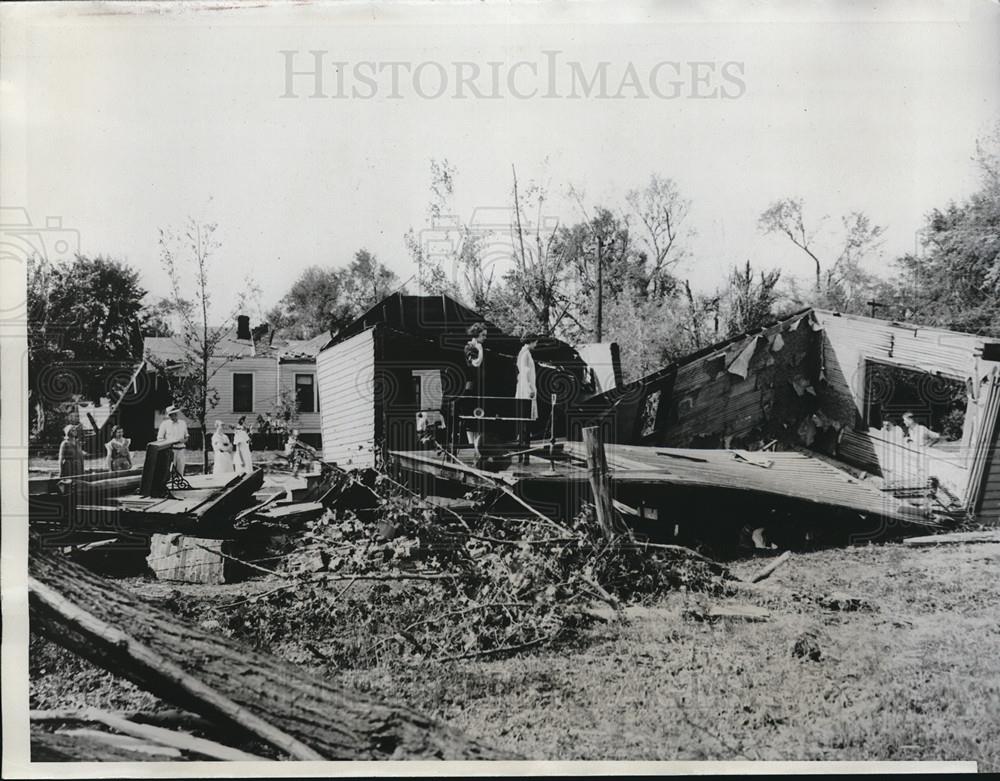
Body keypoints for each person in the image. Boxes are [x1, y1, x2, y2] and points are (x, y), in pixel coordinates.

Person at [515, 334, 540, 464]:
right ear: (531, 342)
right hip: (526, 390)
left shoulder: (525, 353)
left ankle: (524, 455)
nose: (536, 345)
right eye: (535, 342)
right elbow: (524, 373)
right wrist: (530, 389)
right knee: (525, 423)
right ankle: (524, 455)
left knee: (525, 423)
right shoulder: (525, 354)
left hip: (526, 388)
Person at [157, 404, 190, 476]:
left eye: (175, 414)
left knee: (180, 470)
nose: (173, 416)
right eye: (171, 415)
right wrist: (168, 443)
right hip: (171, 450)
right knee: (170, 470)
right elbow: (160, 438)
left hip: (181, 449)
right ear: (169, 416)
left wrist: (183, 440)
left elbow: (186, 436)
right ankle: (170, 485)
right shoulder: (165, 424)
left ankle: (180, 485)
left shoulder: (182, 423)